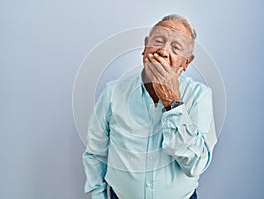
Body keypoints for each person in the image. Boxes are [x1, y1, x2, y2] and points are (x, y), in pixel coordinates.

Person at [82, 14, 217, 199]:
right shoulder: (112, 92)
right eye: (158, 41)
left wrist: (172, 101)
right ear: (145, 47)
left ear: (186, 62)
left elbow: (195, 165)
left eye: (176, 48)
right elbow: (95, 153)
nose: (163, 51)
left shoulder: (200, 96)